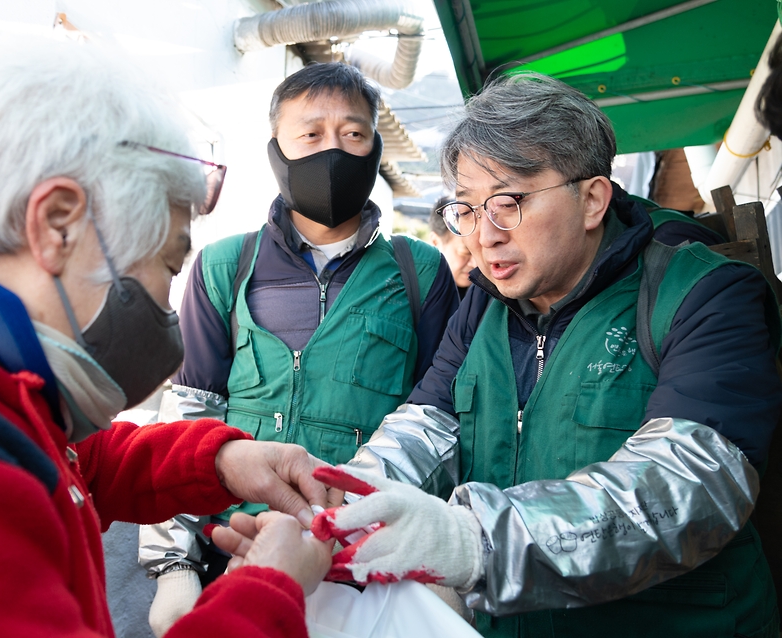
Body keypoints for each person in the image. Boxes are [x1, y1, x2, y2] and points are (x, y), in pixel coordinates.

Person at [0, 40, 337, 638]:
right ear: (59, 223)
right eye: (168, 267)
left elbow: (70, 457)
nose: (167, 311)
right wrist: (268, 591)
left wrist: (222, 460)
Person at [311, 72, 782, 637]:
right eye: (466, 209)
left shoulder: (702, 292)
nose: (484, 235)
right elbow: (426, 427)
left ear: (592, 199)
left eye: (507, 203)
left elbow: (690, 484)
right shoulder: (484, 306)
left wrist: (472, 540)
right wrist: (335, 503)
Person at [140, 61, 459, 636]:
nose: (333, 151)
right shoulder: (224, 266)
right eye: (310, 135)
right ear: (277, 152)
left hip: (366, 566)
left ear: (375, 149)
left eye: (354, 134)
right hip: (238, 553)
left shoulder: (420, 272)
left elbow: (438, 417)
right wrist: (174, 564)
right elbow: (189, 412)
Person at [430, 195, 478, 298]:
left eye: (480, 250)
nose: (475, 263)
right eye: (465, 252)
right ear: (435, 242)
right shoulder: (415, 293)